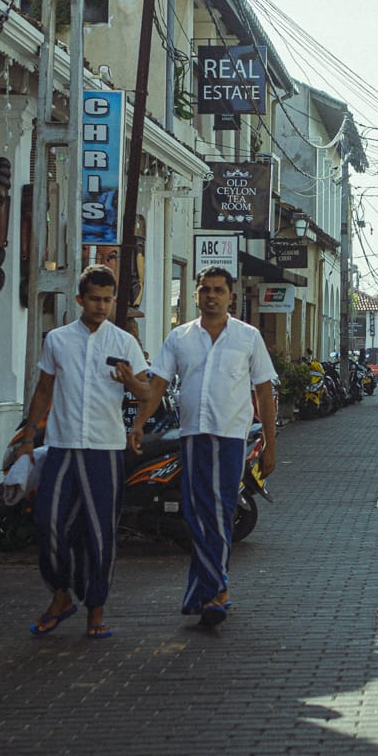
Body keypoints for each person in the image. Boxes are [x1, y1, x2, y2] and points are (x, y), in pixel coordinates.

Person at [128, 266, 277, 628]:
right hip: (192, 437)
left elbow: (264, 391)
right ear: (195, 295)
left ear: (230, 297)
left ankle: (216, 592)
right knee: (195, 515)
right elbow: (159, 384)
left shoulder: (248, 337)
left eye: (218, 290)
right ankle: (206, 591)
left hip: (230, 439)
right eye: (205, 289)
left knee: (221, 513)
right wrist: (138, 422)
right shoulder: (180, 337)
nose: (211, 296)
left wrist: (271, 443)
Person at [19, 264, 150, 640]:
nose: (102, 306)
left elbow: (146, 394)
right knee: (48, 525)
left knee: (100, 533)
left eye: (108, 300)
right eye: (95, 299)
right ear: (80, 299)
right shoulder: (58, 340)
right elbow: (43, 391)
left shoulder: (124, 342)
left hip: (104, 451)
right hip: (61, 446)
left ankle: (96, 610)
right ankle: (61, 594)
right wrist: (29, 439)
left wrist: (130, 383)